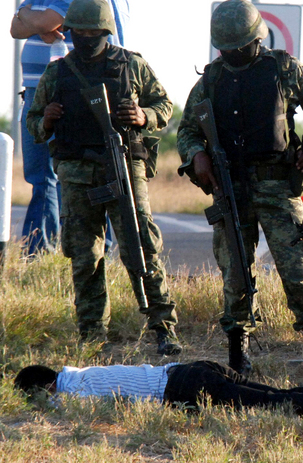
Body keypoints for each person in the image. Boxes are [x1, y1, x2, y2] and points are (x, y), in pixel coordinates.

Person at [177, 0, 303, 383]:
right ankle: (238, 355)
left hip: (276, 185)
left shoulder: (283, 68)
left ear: (257, 39)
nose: (233, 53)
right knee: (235, 273)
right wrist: (196, 156)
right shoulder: (211, 80)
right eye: (227, 48)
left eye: (240, 46)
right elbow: (187, 130)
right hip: (229, 189)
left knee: (299, 271)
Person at [26, 0, 181, 356]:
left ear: (106, 31)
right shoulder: (58, 72)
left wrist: (143, 115)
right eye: (79, 32)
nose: (85, 37)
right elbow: (33, 123)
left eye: (93, 32)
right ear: (69, 33)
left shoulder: (131, 65)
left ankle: (163, 328)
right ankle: (92, 333)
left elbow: (165, 105)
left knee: (141, 248)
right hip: (77, 173)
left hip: (124, 168)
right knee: (85, 256)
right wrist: (46, 119)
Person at [10, 0, 130, 257]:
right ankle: (38, 253)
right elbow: (14, 29)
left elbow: (41, 23)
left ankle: (88, 253)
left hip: (74, 85)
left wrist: (30, 19)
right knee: (41, 177)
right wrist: (27, 17)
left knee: (82, 172)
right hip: (35, 89)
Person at [14, 361, 303, 419]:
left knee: (271, 404)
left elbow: (71, 413)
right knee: (274, 392)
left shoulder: (73, 390)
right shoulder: (83, 371)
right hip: (189, 369)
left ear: (47, 387)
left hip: (182, 387)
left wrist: (46, 407)